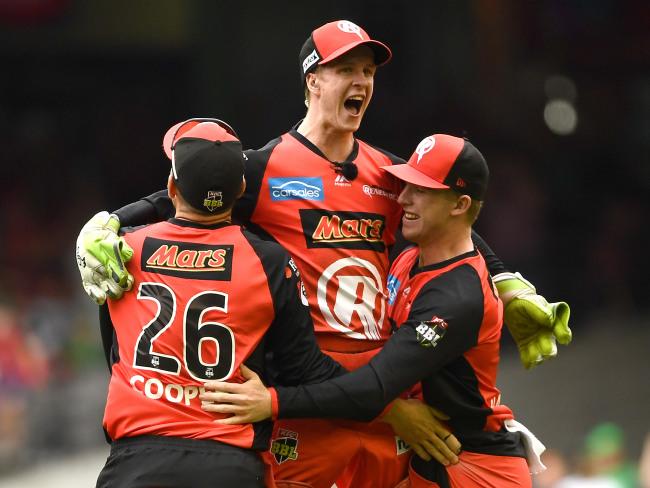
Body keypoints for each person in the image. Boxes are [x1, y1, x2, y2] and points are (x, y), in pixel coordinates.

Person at [75, 20, 571, 488]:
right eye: (345, 70)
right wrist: (111, 220)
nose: (361, 81)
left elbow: (454, 226)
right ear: (313, 79)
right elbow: (185, 188)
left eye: (368, 71)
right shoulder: (264, 166)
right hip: (308, 398)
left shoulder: (388, 174)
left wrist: (505, 279)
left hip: (382, 393)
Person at [200, 134, 547, 488]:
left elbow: (372, 389)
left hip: (474, 465)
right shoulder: (411, 258)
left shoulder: (456, 298)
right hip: (429, 459)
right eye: (406, 185)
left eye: (421, 191)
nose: (403, 198)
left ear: (459, 205)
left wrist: (271, 401)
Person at [93, 119, 348, 487]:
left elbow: (114, 352)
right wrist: (385, 399)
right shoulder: (270, 262)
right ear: (242, 188)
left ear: (171, 187)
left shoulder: (123, 249)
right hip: (231, 464)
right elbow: (305, 371)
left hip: (136, 464)